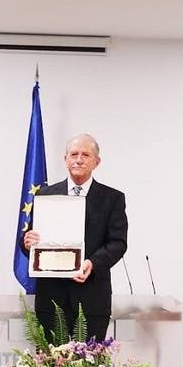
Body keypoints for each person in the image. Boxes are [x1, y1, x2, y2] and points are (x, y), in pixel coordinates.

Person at [22, 133, 127, 341]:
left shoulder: (112, 198)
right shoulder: (45, 195)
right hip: (51, 299)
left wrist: (92, 263)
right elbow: (30, 241)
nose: (79, 159)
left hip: (92, 298)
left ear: (97, 162)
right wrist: (27, 242)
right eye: (74, 154)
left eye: (85, 155)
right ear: (65, 159)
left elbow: (118, 243)